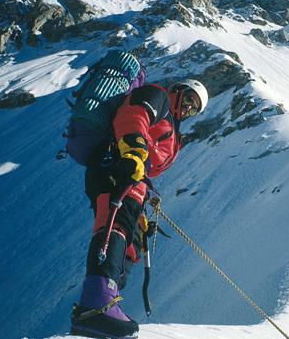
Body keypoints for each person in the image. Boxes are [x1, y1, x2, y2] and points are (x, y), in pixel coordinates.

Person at [71, 79, 209, 339]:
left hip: (135, 181)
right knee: (115, 224)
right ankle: (95, 303)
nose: (189, 108)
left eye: (195, 109)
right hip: (117, 166)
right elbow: (134, 115)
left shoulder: (173, 131)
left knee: (132, 243)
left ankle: (109, 300)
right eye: (190, 99)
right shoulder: (158, 97)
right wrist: (133, 151)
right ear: (179, 89)